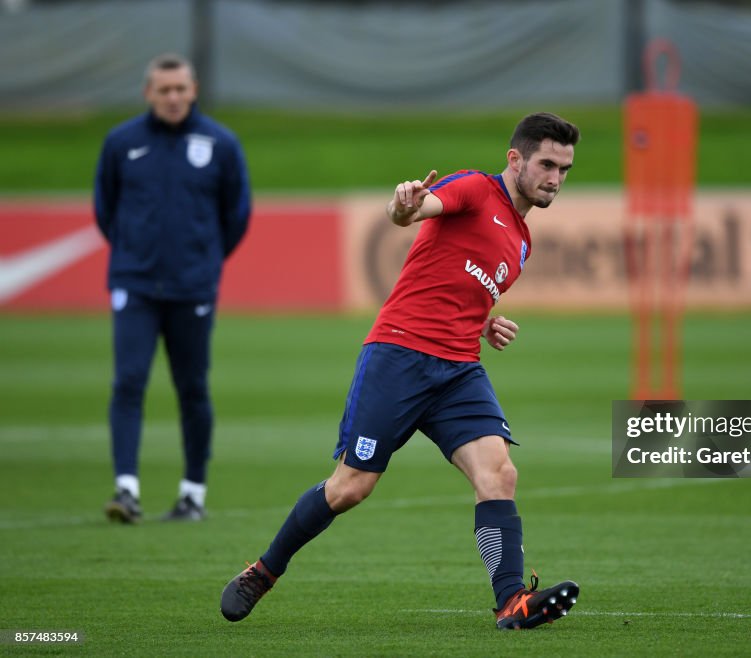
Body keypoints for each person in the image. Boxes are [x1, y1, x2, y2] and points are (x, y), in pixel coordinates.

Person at [220, 112, 580, 630]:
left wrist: (485, 324)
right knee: (350, 488)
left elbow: (456, 284)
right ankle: (264, 570)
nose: (555, 178)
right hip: (400, 355)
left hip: (459, 370)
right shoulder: (475, 190)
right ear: (516, 159)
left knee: (499, 474)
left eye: (565, 169)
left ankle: (510, 602)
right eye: (547, 164)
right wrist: (403, 203)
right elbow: (411, 211)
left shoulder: (522, 241)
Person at [93, 53, 251, 523]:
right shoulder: (121, 142)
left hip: (193, 286)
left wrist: (202, 260)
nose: (173, 97)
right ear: (148, 93)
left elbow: (236, 215)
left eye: (181, 88)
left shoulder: (221, 144)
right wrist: (133, 255)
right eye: (164, 90)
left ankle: (192, 494)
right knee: (128, 382)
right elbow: (106, 209)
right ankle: (126, 490)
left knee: (192, 387)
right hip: (135, 284)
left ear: (194, 89)